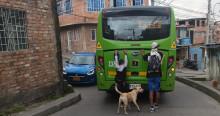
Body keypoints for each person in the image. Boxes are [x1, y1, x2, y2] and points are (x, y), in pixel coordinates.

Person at [141, 42, 163, 112]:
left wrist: (142, 52)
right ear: (156, 47)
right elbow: (161, 53)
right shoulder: (160, 54)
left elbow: (143, 57)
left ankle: (151, 107)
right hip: (158, 75)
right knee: (157, 91)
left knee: (151, 91)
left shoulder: (148, 54)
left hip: (150, 75)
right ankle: (156, 105)